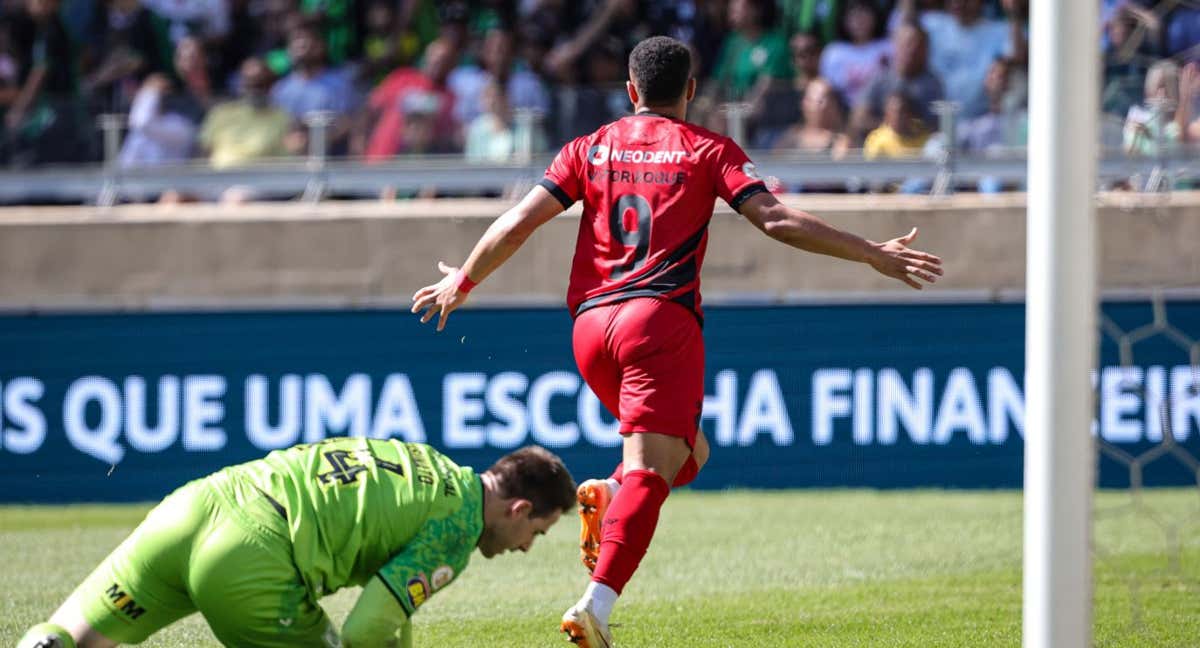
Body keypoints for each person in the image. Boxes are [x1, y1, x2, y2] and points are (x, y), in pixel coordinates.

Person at [410, 36, 943, 647]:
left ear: (631, 91)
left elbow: (519, 221)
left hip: (589, 331)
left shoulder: (590, 146)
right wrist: (870, 252)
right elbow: (778, 220)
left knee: (693, 455)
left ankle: (608, 493)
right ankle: (595, 606)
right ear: (690, 91)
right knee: (653, 474)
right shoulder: (707, 149)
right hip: (657, 325)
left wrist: (465, 278)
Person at [17, 439, 575, 648]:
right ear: (519, 509)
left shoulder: (429, 465)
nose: (526, 547)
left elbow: (393, 609)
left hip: (192, 508)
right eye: (537, 533)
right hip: (254, 560)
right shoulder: (457, 530)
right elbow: (363, 632)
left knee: (70, 638)